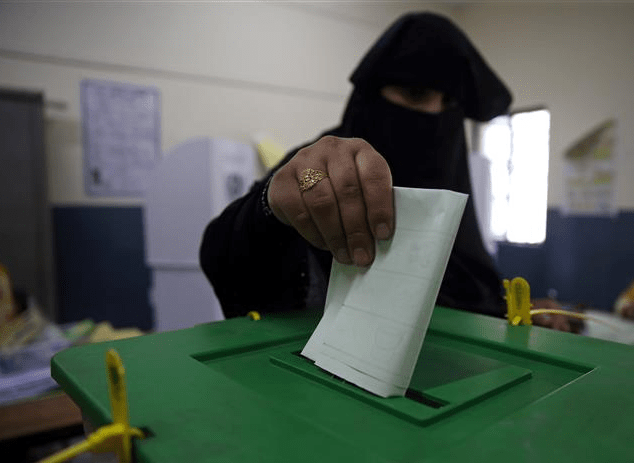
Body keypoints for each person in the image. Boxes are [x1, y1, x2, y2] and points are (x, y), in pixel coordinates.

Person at [200, 12, 570, 330]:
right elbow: (224, 250)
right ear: (373, 95)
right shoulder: (320, 167)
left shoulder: (451, 175)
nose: (434, 115)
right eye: (415, 94)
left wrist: (514, 315)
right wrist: (269, 206)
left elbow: (460, 289)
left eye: (449, 103)